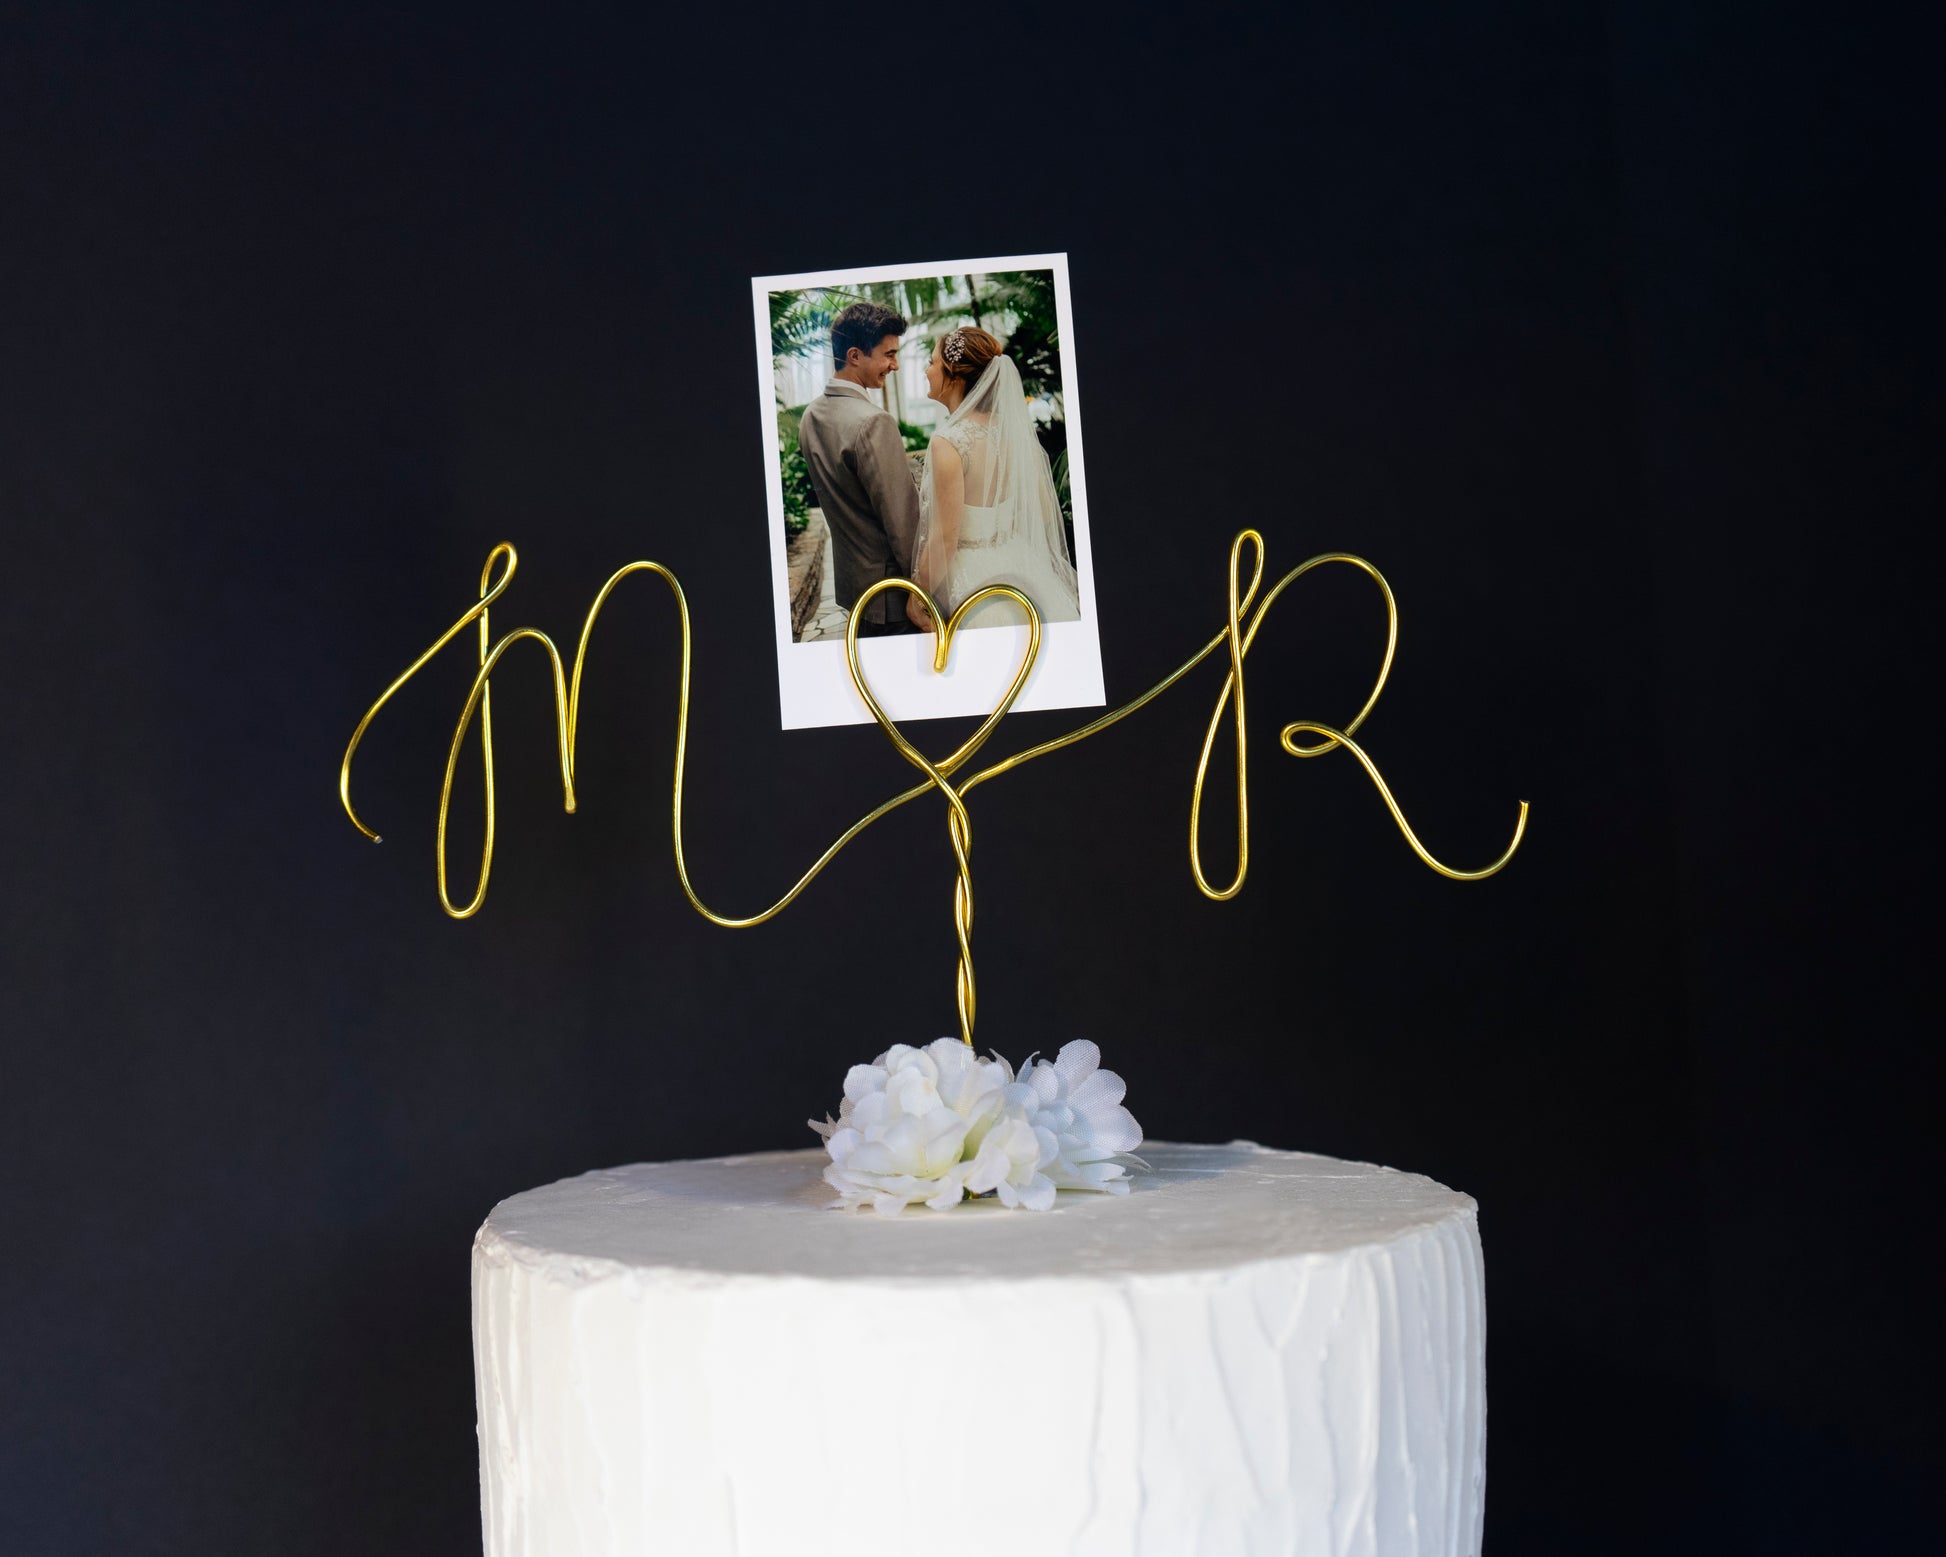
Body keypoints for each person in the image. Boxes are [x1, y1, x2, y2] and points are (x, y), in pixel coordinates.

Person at [907, 326, 1081, 632]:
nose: (926, 370)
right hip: (1019, 563)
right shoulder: (1013, 432)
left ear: (954, 377)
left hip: (971, 579)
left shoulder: (948, 442)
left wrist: (916, 597)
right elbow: (1040, 511)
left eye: (932, 363)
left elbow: (945, 538)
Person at [795, 301, 923, 638]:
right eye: (889, 354)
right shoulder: (873, 422)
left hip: (855, 593)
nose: (894, 365)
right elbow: (903, 522)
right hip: (893, 598)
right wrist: (923, 591)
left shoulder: (811, 416)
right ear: (855, 356)